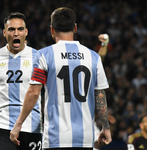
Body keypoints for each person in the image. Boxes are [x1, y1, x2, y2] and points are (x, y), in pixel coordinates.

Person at [10, 7, 112, 149]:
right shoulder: (93, 56)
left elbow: (33, 93)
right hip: (85, 138)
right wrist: (105, 127)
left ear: (52, 30)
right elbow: (100, 94)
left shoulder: (44, 55)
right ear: (75, 28)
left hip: (55, 137)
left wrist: (18, 124)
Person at [0, 12, 42, 150]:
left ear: (26, 32)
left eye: (20, 29)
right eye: (11, 29)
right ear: (4, 32)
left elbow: (47, 91)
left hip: (31, 127)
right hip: (2, 127)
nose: (16, 33)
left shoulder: (38, 57)